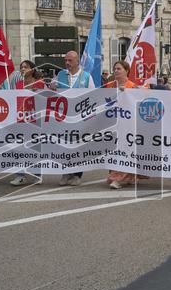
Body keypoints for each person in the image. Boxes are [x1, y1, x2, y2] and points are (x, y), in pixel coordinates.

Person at [52, 51, 95, 186]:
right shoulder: (60, 75)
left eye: (70, 60)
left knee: (78, 146)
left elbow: (93, 95)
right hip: (64, 117)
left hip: (80, 117)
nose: (67, 63)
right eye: (65, 60)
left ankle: (77, 174)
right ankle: (66, 172)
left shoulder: (86, 77)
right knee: (64, 145)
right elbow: (52, 91)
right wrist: (52, 87)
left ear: (77, 62)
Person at [105, 60, 141, 190]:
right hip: (113, 125)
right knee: (114, 150)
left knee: (126, 150)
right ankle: (125, 176)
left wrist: (126, 93)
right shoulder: (109, 86)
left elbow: (139, 103)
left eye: (119, 69)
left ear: (126, 71)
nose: (116, 71)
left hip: (129, 126)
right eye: (114, 69)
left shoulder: (133, 87)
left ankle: (119, 178)